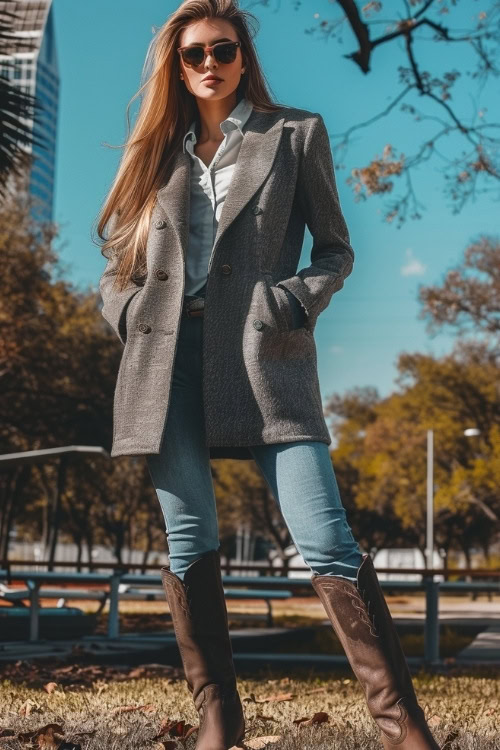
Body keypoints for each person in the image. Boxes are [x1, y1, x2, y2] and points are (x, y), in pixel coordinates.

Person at [96, 1, 441, 748]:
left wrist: (287, 302)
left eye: (223, 49)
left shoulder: (295, 133)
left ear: (244, 57)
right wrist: (125, 313)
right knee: (188, 538)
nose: (209, 63)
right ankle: (218, 716)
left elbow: (336, 250)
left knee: (327, 539)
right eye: (193, 54)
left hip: (263, 357)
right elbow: (115, 261)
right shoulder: (155, 150)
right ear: (177, 67)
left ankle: (403, 727)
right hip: (166, 361)